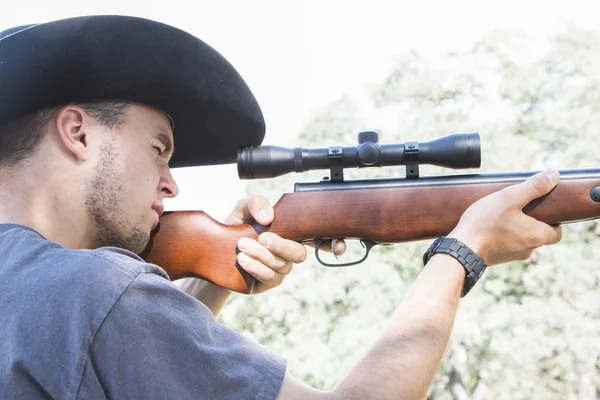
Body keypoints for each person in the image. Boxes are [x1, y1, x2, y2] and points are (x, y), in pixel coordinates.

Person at [0, 15, 563, 400]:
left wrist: (215, 275)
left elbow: (110, 351)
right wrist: (462, 253)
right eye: (159, 150)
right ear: (76, 132)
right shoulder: (97, 291)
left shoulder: (52, 297)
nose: (170, 186)